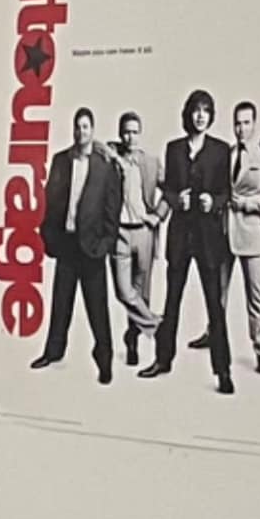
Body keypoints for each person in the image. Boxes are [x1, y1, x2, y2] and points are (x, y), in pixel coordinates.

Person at [147, 87, 238, 392]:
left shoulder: (221, 150)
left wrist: (215, 201)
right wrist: (176, 200)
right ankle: (163, 359)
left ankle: (223, 371)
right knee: (172, 299)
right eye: (197, 110)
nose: (201, 116)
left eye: (206, 111)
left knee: (215, 304)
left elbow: (227, 192)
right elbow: (168, 189)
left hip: (209, 238)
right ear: (189, 113)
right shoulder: (174, 149)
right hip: (180, 236)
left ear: (211, 116)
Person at [32, 107, 123, 381]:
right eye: (77, 126)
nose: (81, 131)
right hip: (67, 246)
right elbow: (49, 202)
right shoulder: (61, 160)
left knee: (98, 309)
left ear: (92, 131)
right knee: (61, 303)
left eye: (85, 127)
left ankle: (104, 361)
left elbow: (113, 210)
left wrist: (106, 244)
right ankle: (53, 351)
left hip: (93, 249)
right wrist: (49, 238)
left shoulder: (105, 168)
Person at [223, 98, 260, 376]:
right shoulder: (228, 153)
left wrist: (246, 204)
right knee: (217, 292)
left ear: (254, 125)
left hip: (253, 234)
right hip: (225, 232)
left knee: (256, 297)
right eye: (237, 123)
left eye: (246, 123)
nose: (241, 128)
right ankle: (214, 333)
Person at [107, 109, 161, 365]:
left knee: (142, 293)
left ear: (141, 135)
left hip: (144, 232)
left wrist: (158, 215)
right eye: (126, 132)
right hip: (119, 232)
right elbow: (95, 146)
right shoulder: (112, 158)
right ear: (120, 134)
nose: (130, 137)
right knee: (123, 291)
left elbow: (171, 191)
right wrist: (112, 150)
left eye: (135, 132)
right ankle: (159, 327)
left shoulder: (150, 161)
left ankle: (133, 340)